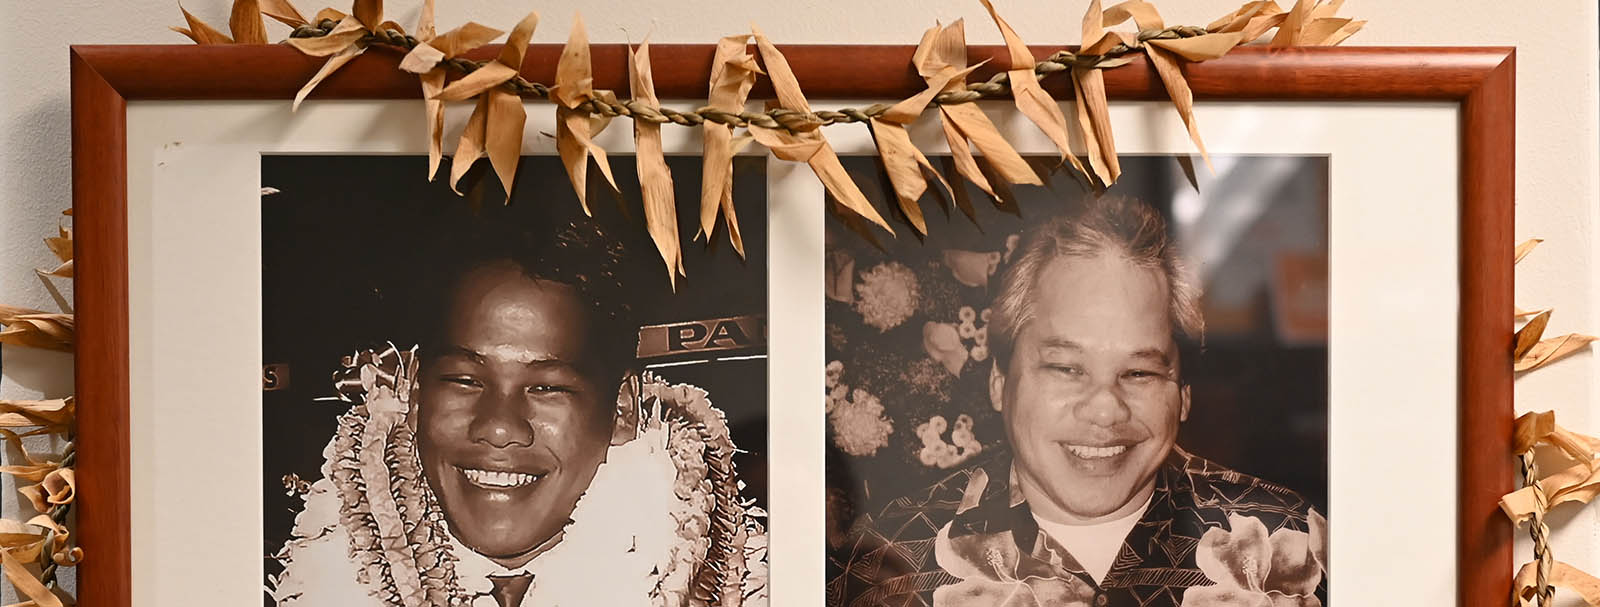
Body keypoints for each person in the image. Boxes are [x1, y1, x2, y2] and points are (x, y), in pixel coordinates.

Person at [830, 196, 1326, 607]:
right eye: (1067, 368)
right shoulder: (885, 567)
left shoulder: (1298, 542)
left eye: (1139, 372)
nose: (1106, 409)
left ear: (1183, 396)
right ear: (1000, 382)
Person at [270, 212, 767, 607]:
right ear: (415, 392)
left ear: (621, 409)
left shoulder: (754, 587)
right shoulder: (302, 578)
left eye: (547, 388)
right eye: (466, 380)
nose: (499, 427)